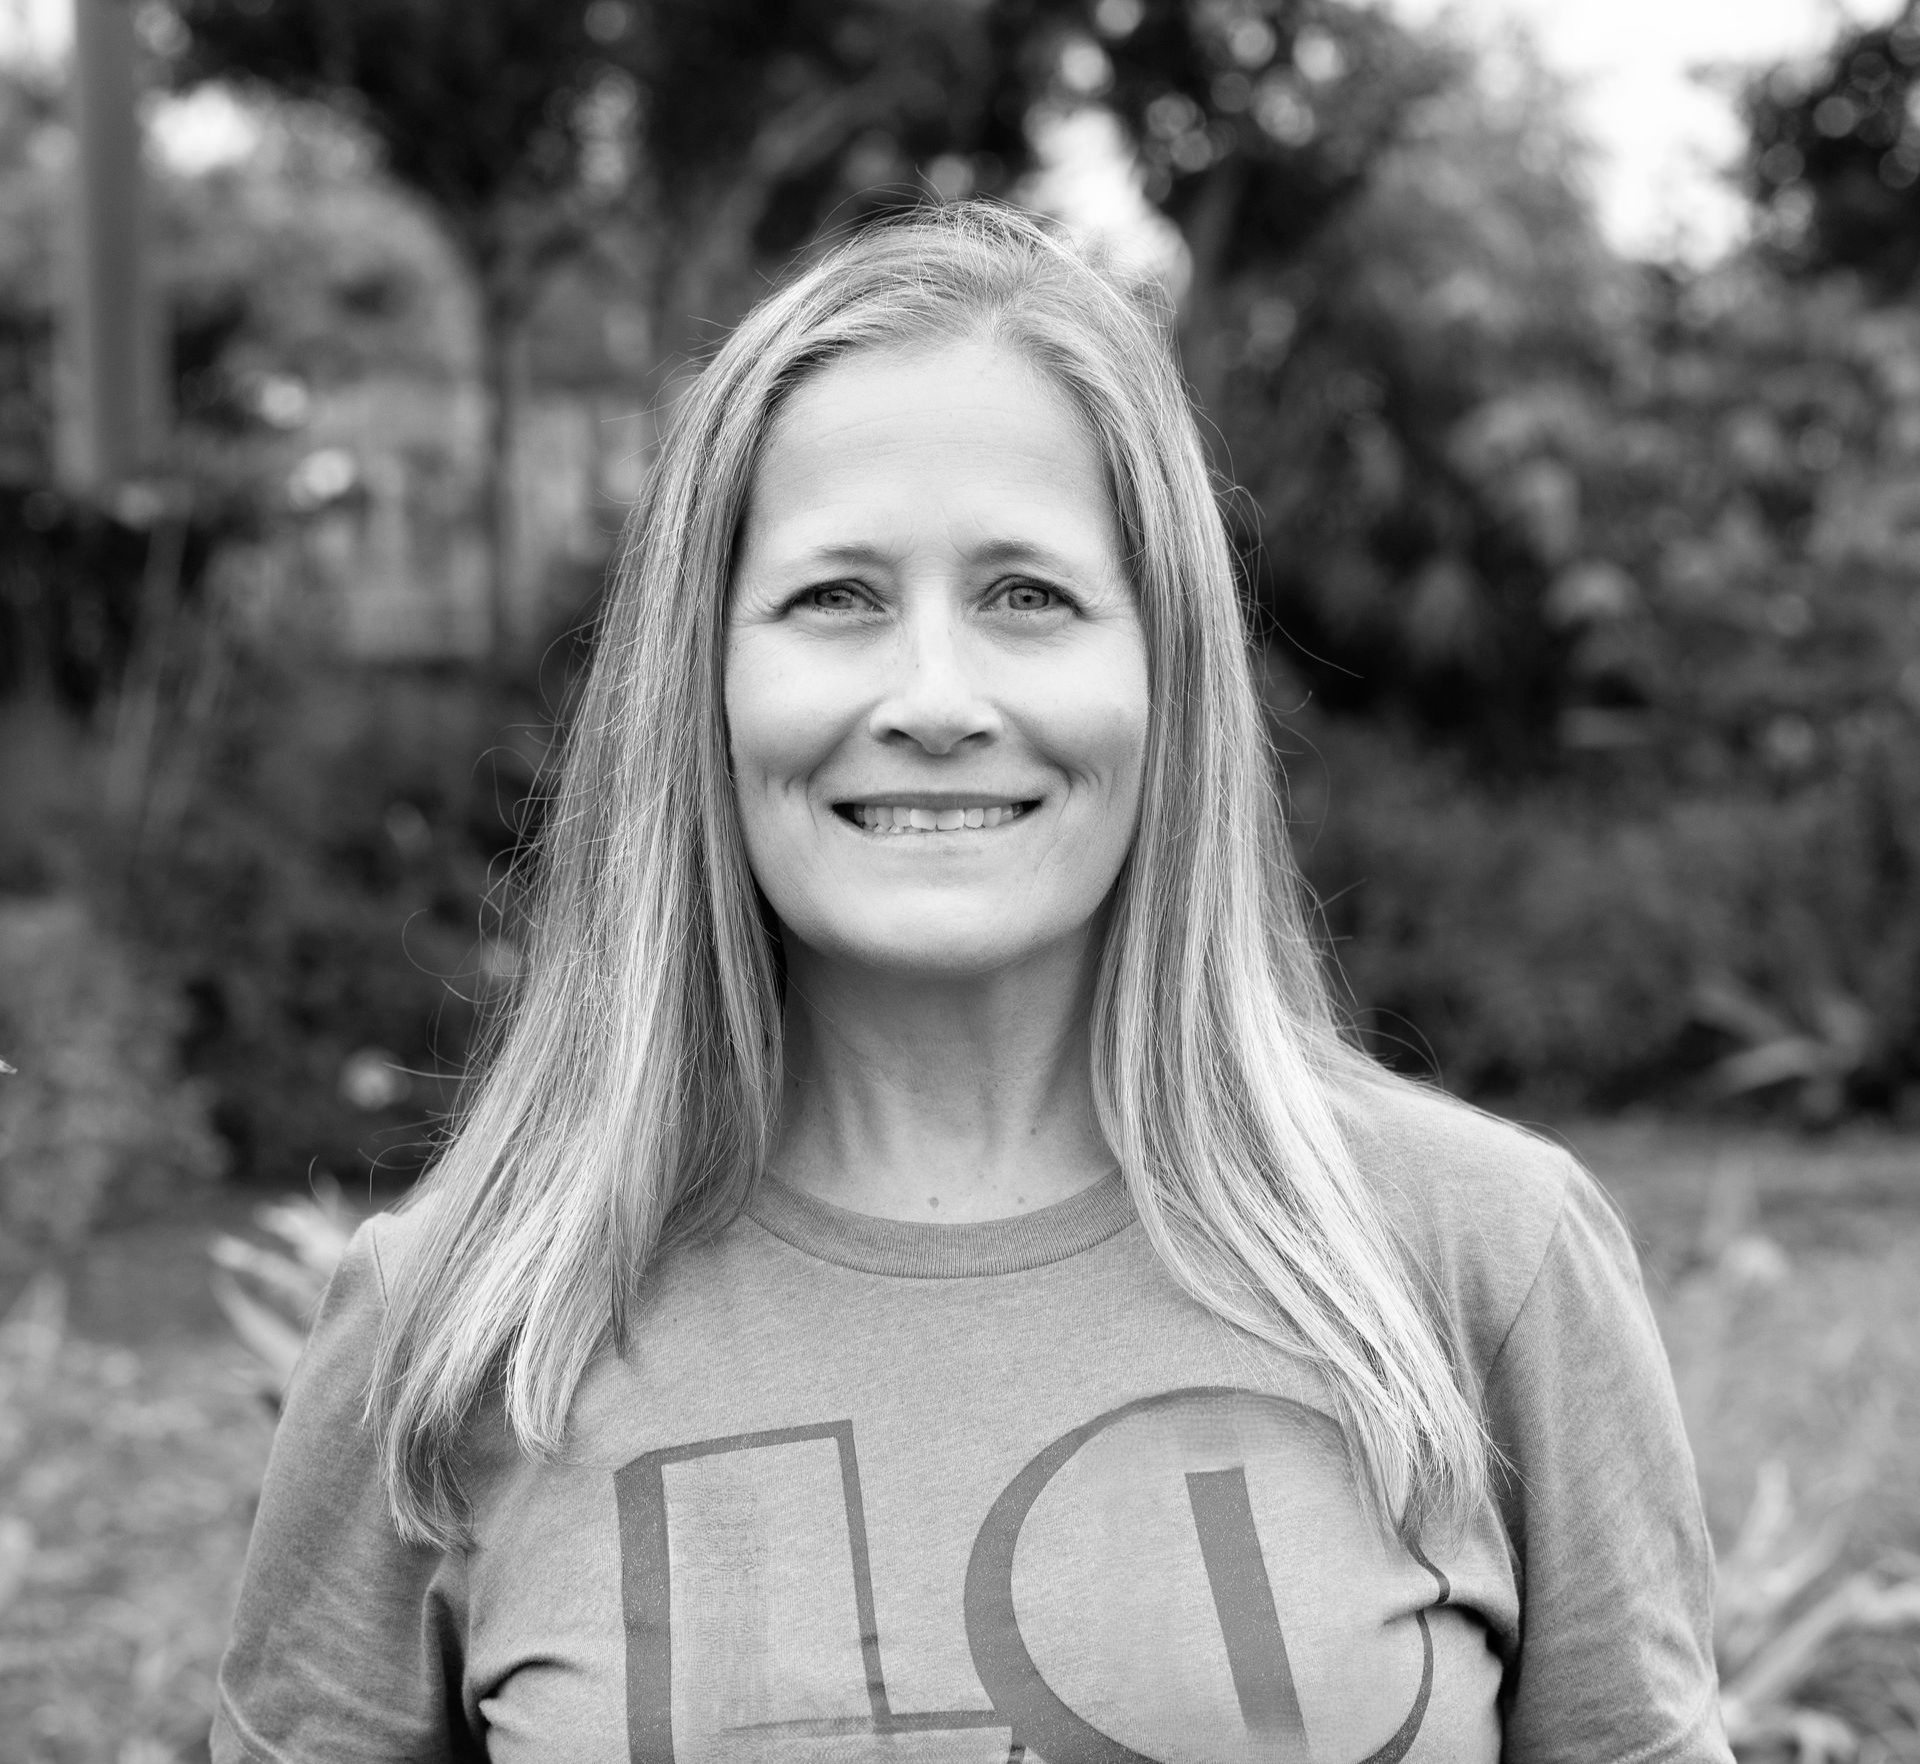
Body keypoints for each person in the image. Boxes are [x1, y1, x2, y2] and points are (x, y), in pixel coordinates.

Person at [213, 203, 1731, 1764]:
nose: (935, 698)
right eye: (836, 597)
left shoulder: (1488, 1264)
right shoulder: (459, 1323)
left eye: (1028, 596)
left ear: (1166, 672)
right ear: (703, 684)